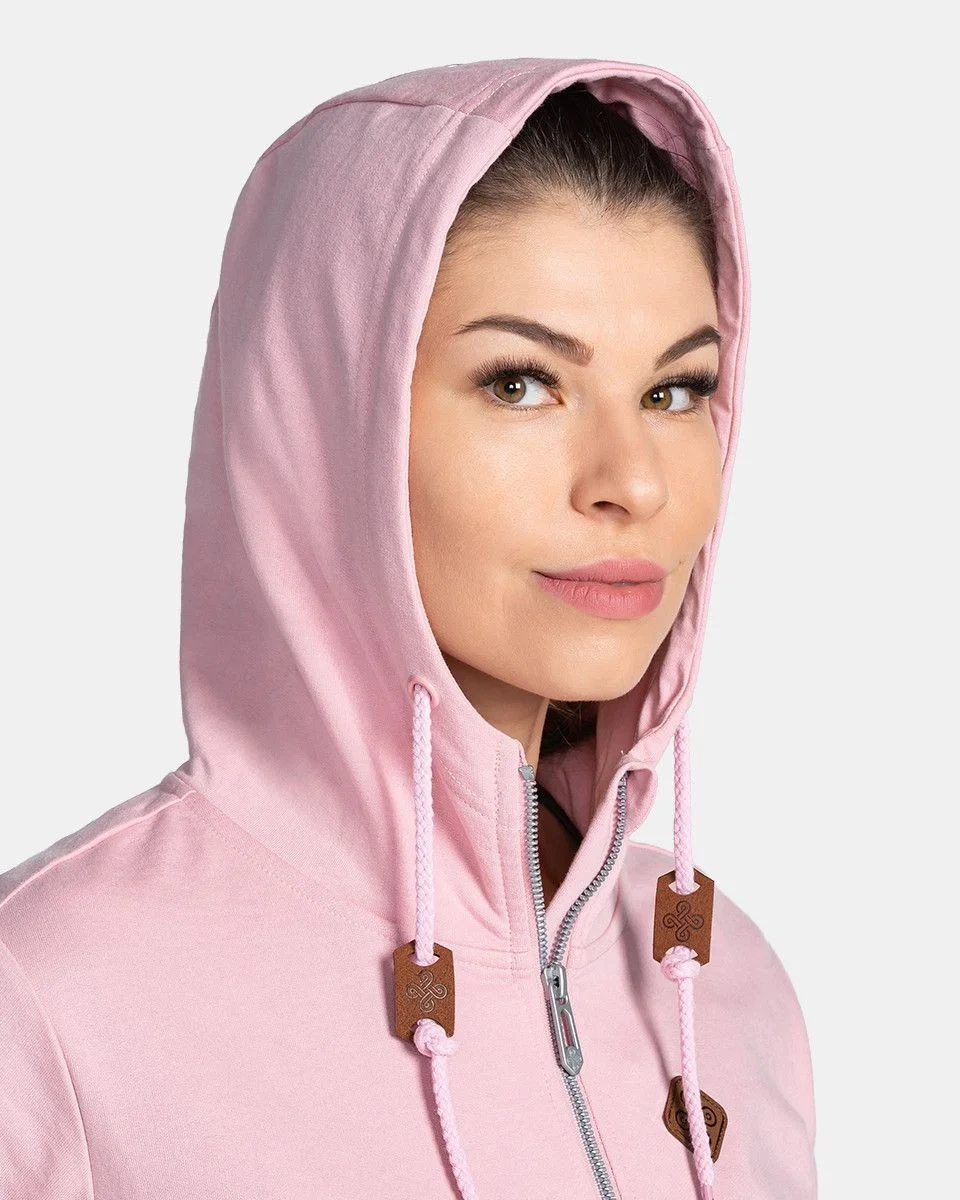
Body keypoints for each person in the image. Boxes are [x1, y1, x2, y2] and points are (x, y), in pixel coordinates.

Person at [0, 58, 818, 1199]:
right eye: (521, 383)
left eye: (675, 391)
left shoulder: (726, 990)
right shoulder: (52, 1002)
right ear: (326, 416)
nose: (633, 482)